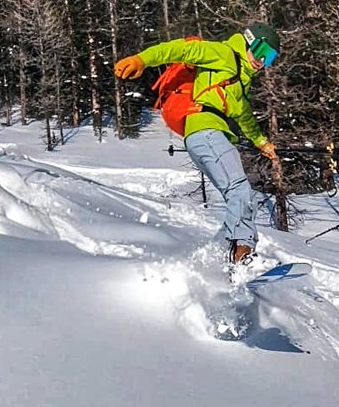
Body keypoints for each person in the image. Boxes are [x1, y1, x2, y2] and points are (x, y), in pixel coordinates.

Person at [114, 23, 281, 264]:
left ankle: (217, 257)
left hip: (209, 136)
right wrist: (142, 60)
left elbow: (245, 116)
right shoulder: (223, 54)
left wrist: (262, 143)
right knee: (239, 190)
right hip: (206, 130)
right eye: (261, 51)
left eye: (270, 58)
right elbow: (181, 50)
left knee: (236, 196)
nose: (262, 61)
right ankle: (242, 253)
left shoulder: (240, 81)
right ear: (249, 41)